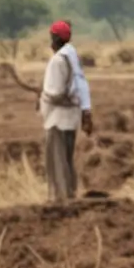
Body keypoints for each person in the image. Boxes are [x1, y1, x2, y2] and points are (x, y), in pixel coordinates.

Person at [39, 20, 93, 202]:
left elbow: (54, 93)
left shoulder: (57, 61)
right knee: (67, 158)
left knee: (57, 160)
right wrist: (86, 112)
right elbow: (82, 85)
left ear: (54, 38)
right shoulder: (73, 56)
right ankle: (70, 193)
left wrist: (43, 96)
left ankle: (61, 199)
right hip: (72, 117)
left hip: (57, 118)